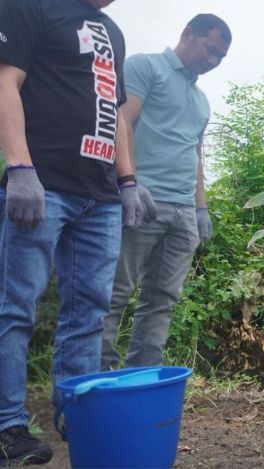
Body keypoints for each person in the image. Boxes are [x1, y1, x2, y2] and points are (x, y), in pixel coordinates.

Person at [0, 0, 156, 465]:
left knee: (88, 313)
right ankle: (8, 427)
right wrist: (21, 168)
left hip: (100, 197)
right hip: (43, 185)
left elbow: (115, 111)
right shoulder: (30, 7)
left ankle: (75, 414)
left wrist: (127, 181)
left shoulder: (112, 31)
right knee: (16, 307)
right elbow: (6, 82)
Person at [100, 14, 231, 371]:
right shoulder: (146, 68)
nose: (213, 61)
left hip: (183, 212)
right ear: (188, 34)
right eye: (210, 49)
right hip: (142, 202)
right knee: (114, 294)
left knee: (162, 299)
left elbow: (196, 154)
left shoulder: (202, 100)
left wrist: (200, 208)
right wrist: (129, 183)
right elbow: (120, 121)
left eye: (220, 57)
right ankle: (99, 382)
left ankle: (141, 380)